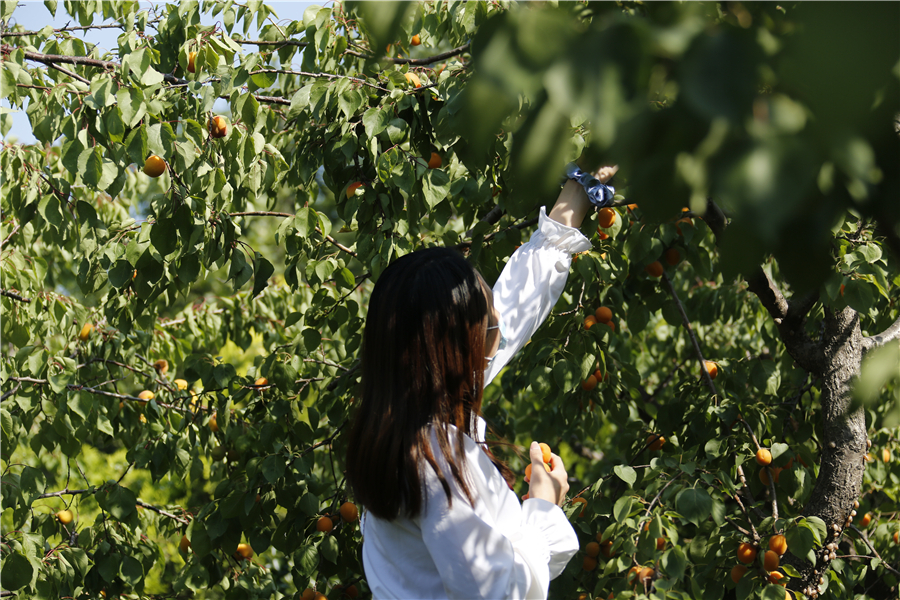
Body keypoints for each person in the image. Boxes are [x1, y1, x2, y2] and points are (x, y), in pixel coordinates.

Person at [345, 165, 618, 599]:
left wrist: (585, 184)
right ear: (458, 352)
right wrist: (543, 506)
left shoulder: (403, 424)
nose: (499, 335)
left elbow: (519, 300)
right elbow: (497, 591)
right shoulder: (434, 463)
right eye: (489, 328)